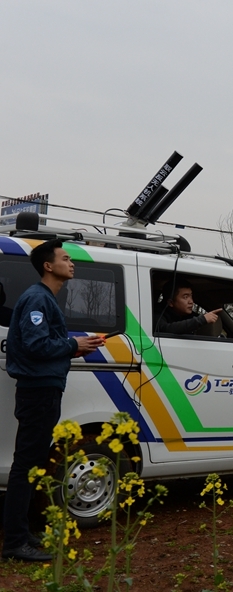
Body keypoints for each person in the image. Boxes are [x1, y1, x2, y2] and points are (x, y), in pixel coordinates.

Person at [2, 240, 104, 562]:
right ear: (49, 266)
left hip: (43, 390)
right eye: (65, 258)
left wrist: (76, 345)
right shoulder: (37, 298)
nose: (70, 263)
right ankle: (15, 543)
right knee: (26, 466)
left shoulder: (44, 298)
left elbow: (45, 343)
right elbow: (36, 345)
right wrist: (75, 346)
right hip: (39, 391)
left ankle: (21, 533)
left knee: (30, 463)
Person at [155, 280, 221, 335]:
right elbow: (164, 329)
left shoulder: (189, 315)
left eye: (191, 296)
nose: (191, 301)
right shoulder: (157, 313)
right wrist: (201, 320)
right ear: (171, 303)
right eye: (185, 297)